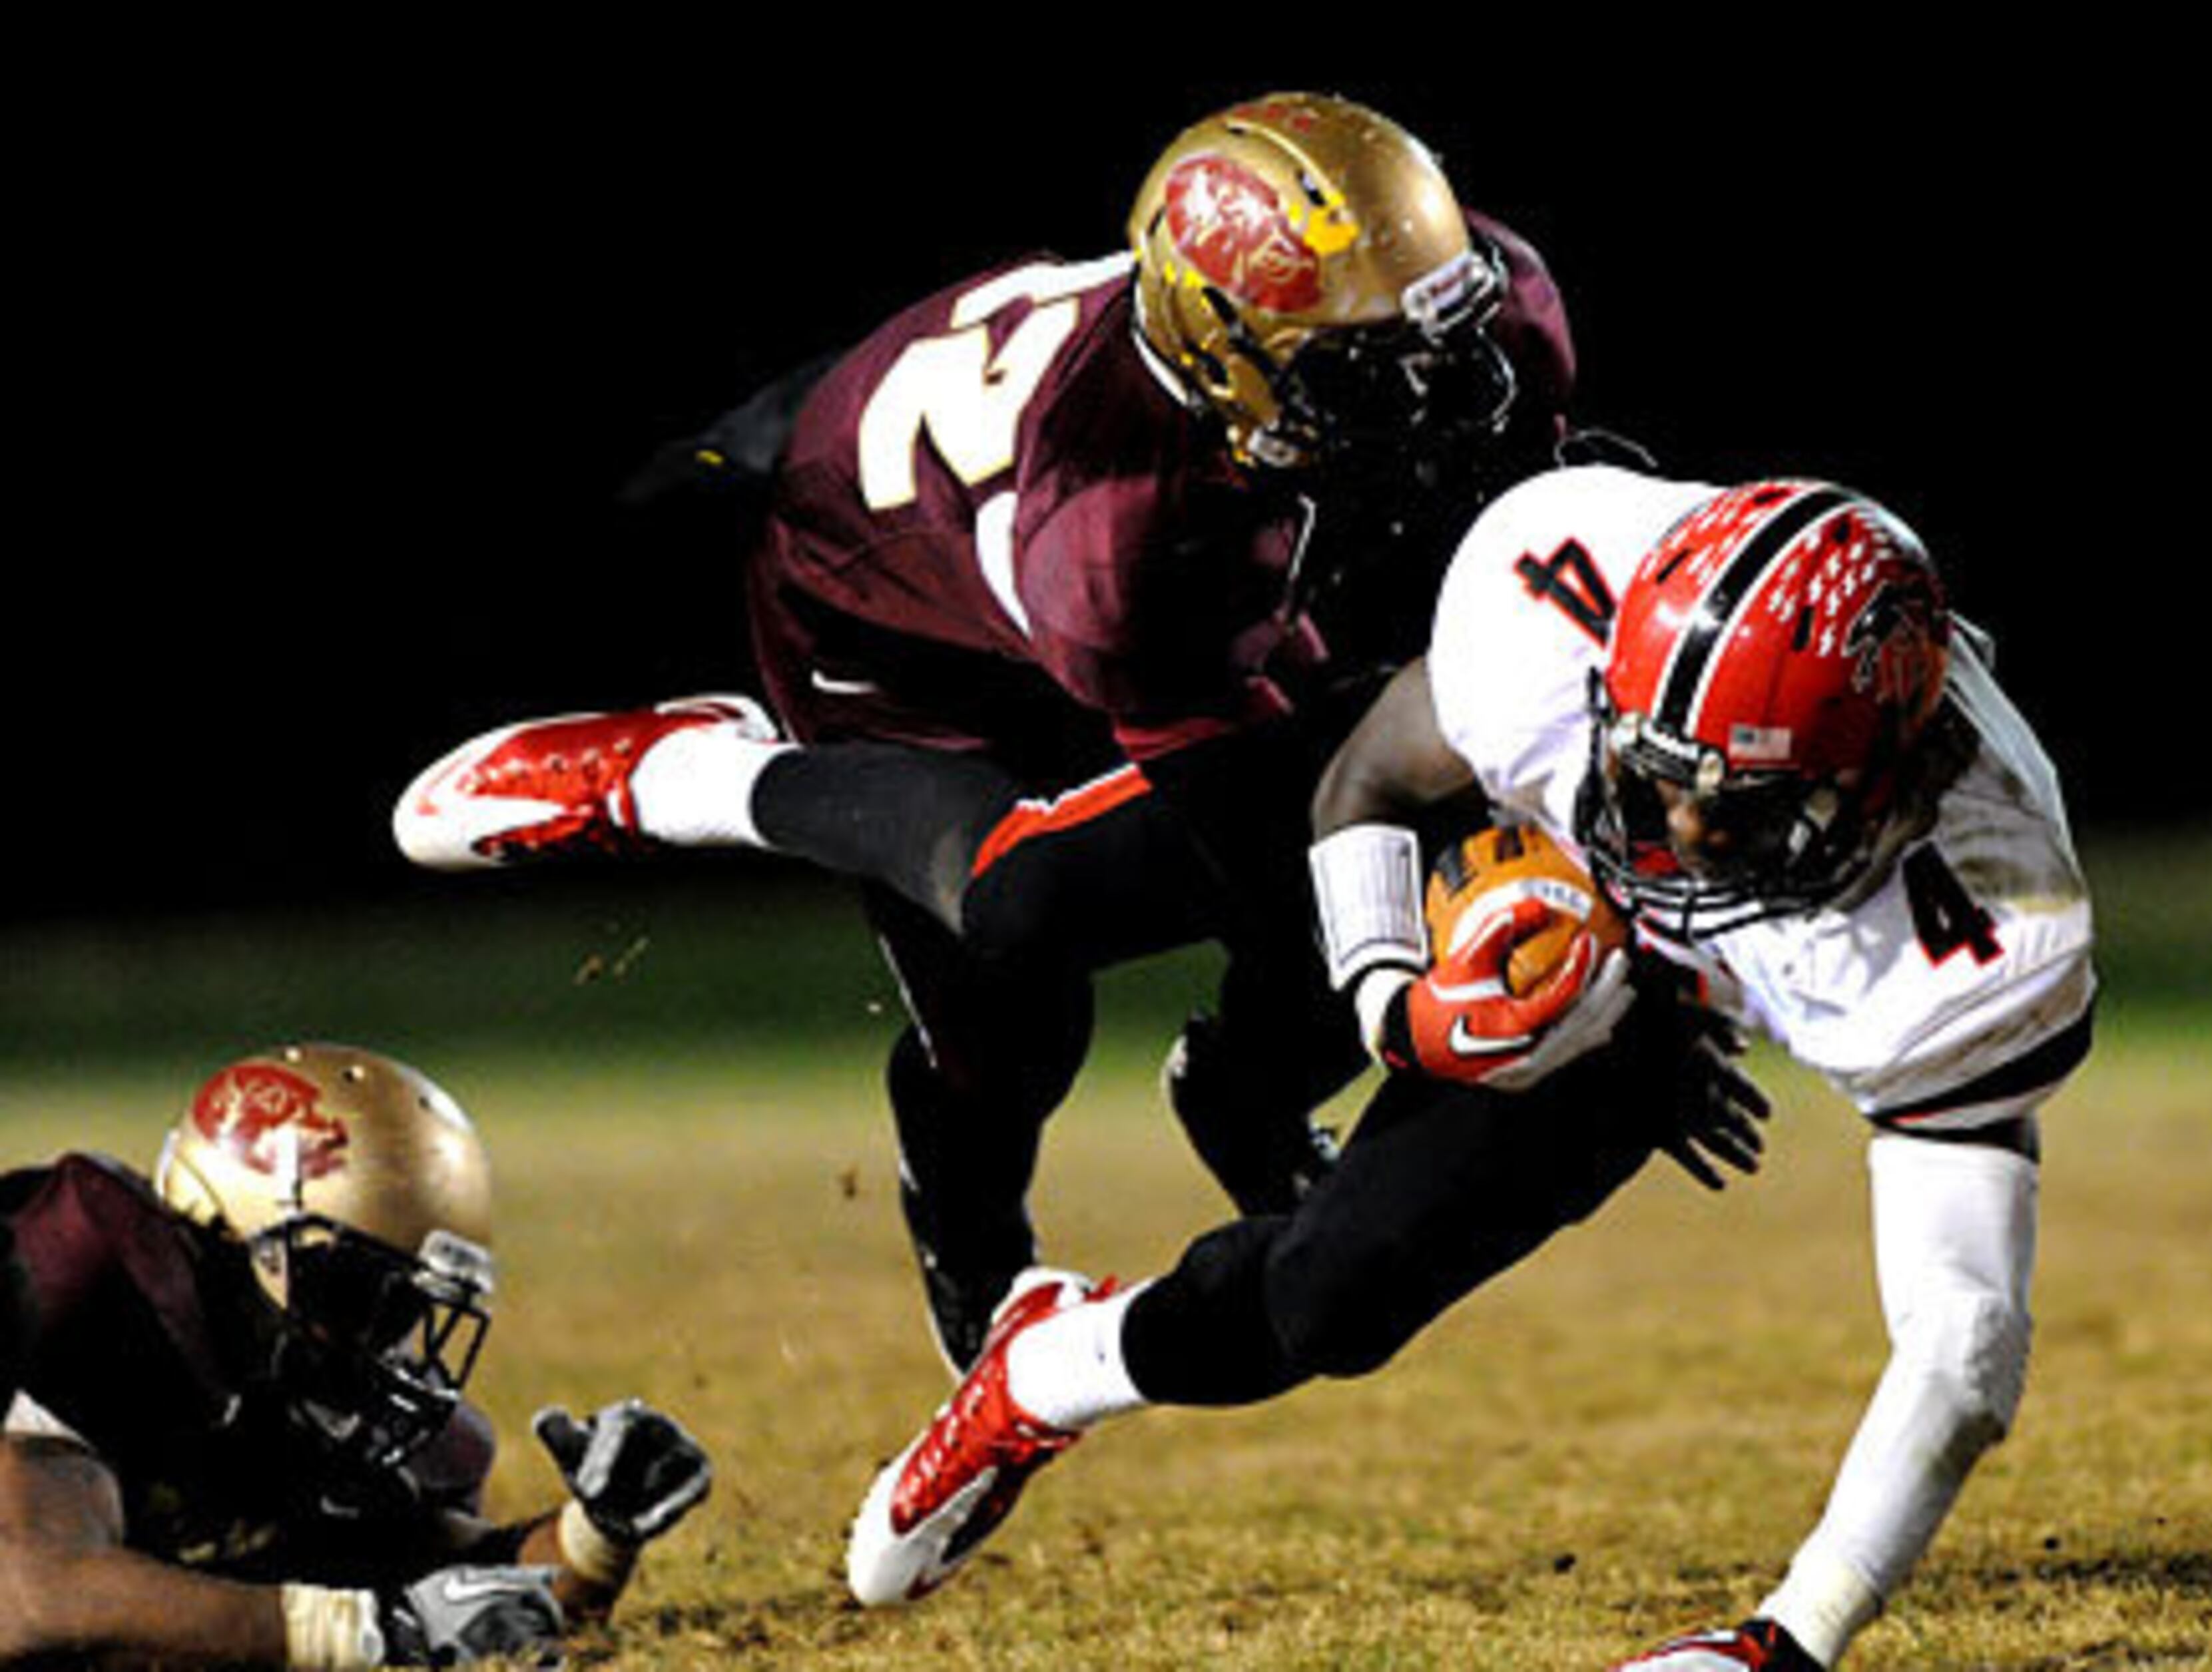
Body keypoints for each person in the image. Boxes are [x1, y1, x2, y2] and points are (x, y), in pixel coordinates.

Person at [391, 91, 1583, 1374]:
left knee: (1377, 816)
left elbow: (1528, 530)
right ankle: (709, 778)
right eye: (1361, 364)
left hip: (1157, 544)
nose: (1426, 379)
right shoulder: (1120, 533)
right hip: (885, 622)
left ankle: (1239, 1092)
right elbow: (1277, 837)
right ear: (1225, 351)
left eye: (1434, 329)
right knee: (1019, 958)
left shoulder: (1474, 305)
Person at [840, 467, 2098, 1672]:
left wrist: (1794, 1636)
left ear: (1885, 784)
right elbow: (1368, 780)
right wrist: (1397, 1005)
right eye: (1661, 780)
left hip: (1652, 985)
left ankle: (1048, 1365)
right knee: (1039, 895)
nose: (1684, 835)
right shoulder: (1558, 605)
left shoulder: (1988, 927)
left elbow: (1964, 1345)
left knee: (1331, 1303)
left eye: (1745, 811)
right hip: (1508, 833)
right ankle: (1232, 1072)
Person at [0, 1042, 712, 1669]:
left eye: (401, 1309)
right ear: (228, 1236)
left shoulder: (276, 1382)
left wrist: (594, 1535)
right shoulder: (82, 1290)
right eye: (348, 1291)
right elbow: (33, 1598)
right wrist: (372, 1633)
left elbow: (470, 1591)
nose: (376, 1342)